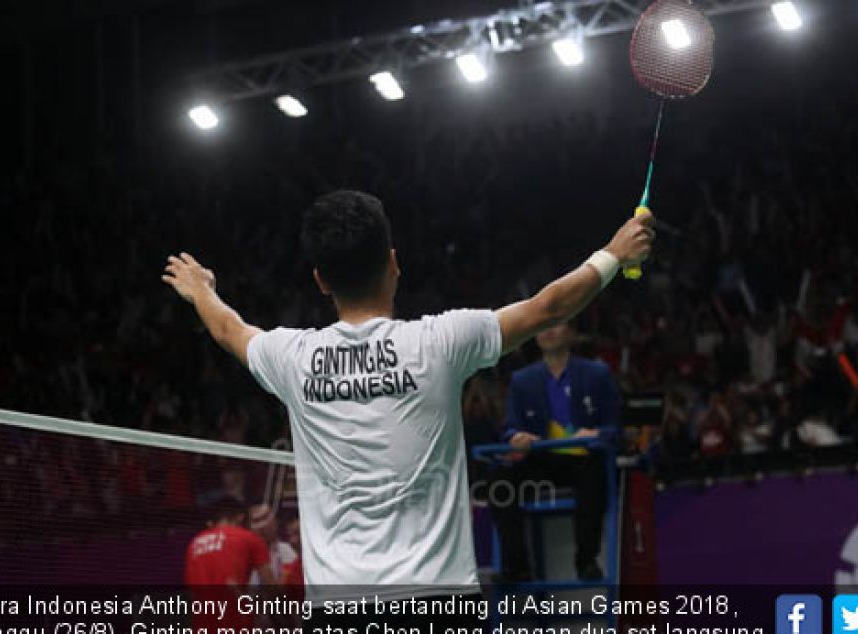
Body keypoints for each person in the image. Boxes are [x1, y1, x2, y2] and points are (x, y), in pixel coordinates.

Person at [162, 190, 653, 620]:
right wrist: (613, 253)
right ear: (394, 263)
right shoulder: (440, 342)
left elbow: (228, 329)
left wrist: (201, 289)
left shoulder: (292, 357)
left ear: (321, 281)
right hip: (440, 601)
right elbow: (549, 307)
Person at [490, 322, 620, 582]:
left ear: (571, 332)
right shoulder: (522, 380)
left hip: (583, 461)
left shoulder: (597, 373)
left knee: (591, 476)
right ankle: (517, 567)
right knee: (499, 482)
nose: (548, 330)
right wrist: (516, 437)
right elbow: (510, 428)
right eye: (543, 325)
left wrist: (596, 434)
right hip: (541, 463)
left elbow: (615, 426)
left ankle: (586, 561)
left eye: (557, 323)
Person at [184, 503, 275, 633]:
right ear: (240, 518)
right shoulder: (249, 538)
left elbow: (193, 594)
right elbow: (272, 586)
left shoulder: (193, 544)